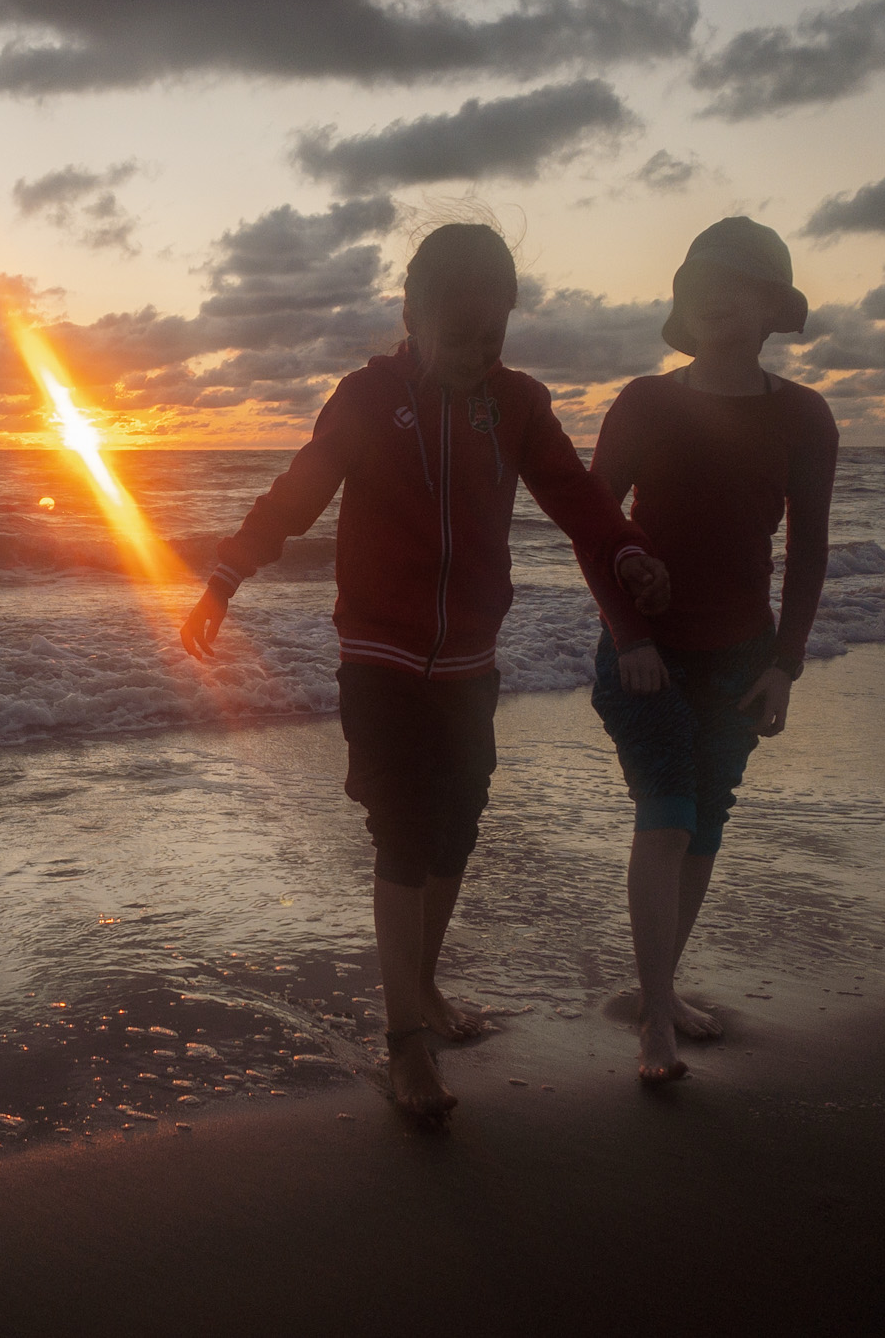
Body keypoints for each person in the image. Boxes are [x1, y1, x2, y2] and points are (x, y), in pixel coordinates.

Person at [180, 222, 672, 1119]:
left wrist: (628, 549)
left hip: (470, 664)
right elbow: (299, 491)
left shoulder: (517, 404)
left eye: (495, 336)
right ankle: (404, 1037)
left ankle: (423, 983)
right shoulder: (368, 398)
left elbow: (577, 496)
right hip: (380, 657)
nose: (479, 355)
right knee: (404, 836)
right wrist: (225, 575)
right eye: (461, 336)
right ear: (412, 314)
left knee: (456, 832)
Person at [578, 217, 839, 1083]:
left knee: (704, 828)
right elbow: (593, 525)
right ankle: (656, 1018)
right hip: (645, 655)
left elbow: (808, 551)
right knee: (667, 817)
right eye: (700, 284)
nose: (716, 298)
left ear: (772, 308)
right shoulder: (645, 403)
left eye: (737, 283)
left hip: (740, 659)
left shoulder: (804, 416)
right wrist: (630, 635)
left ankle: (661, 990)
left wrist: (785, 664)